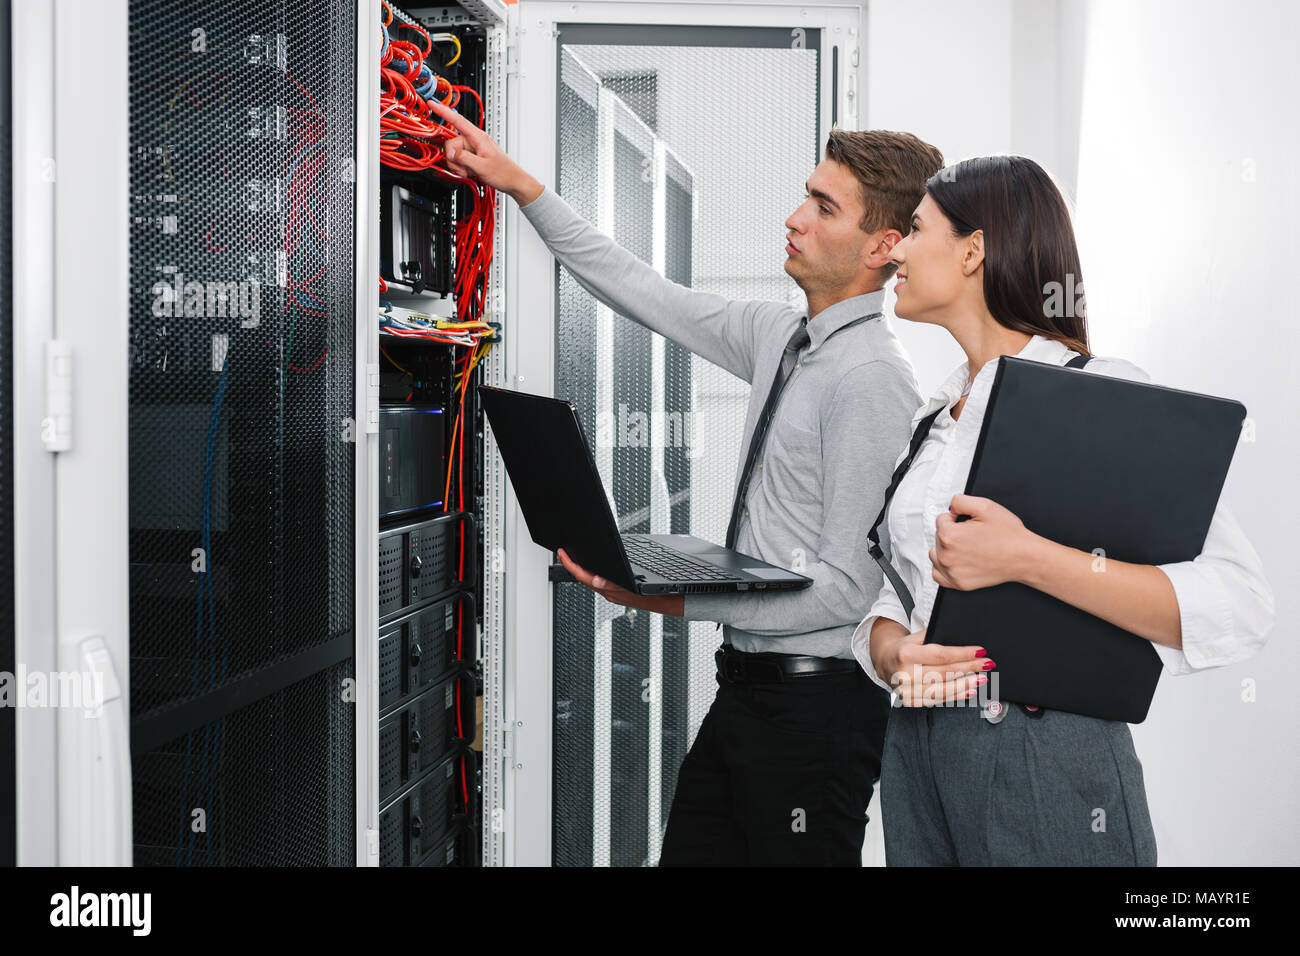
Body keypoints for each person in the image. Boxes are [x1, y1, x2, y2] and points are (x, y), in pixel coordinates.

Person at [429, 96, 944, 865]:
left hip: (817, 714)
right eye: (806, 194)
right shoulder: (781, 334)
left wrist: (666, 596)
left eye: (823, 205)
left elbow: (845, 591)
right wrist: (518, 184)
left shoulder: (873, 379)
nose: (795, 218)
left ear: (884, 244)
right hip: (747, 691)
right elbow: (640, 289)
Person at [855, 155, 1276, 866]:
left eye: (915, 228)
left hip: (1043, 754)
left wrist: (1026, 557)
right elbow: (890, 596)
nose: (893, 247)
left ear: (973, 250)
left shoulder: (1106, 399)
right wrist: (894, 656)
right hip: (917, 748)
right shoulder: (933, 419)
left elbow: (1239, 604)